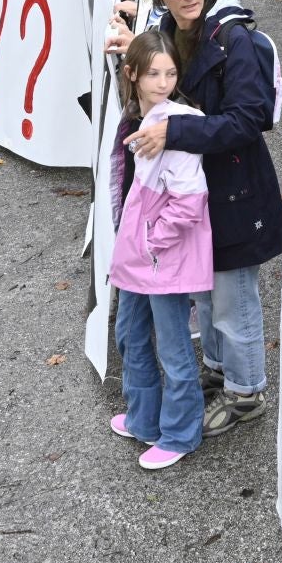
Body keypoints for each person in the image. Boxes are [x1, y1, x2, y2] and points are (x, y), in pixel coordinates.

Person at [131, 0, 282, 434]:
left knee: (231, 297)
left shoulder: (232, 38)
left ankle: (247, 392)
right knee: (204, 292)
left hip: (236, 191)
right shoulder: (169, 31)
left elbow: (250, 118)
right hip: (195, 194)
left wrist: (174, 131)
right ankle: (220, 373)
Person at [105, 29, 213, 470]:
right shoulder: (138, 119)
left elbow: (189, 201)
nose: (163, 81)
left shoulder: (175, 124)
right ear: (132, 74)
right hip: (139, 255)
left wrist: (152, 243)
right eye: (153, 73)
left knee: (173, 345)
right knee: (130, 334)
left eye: (170, 73)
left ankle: (181, 433)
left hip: (161, 258)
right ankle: (145, 418)